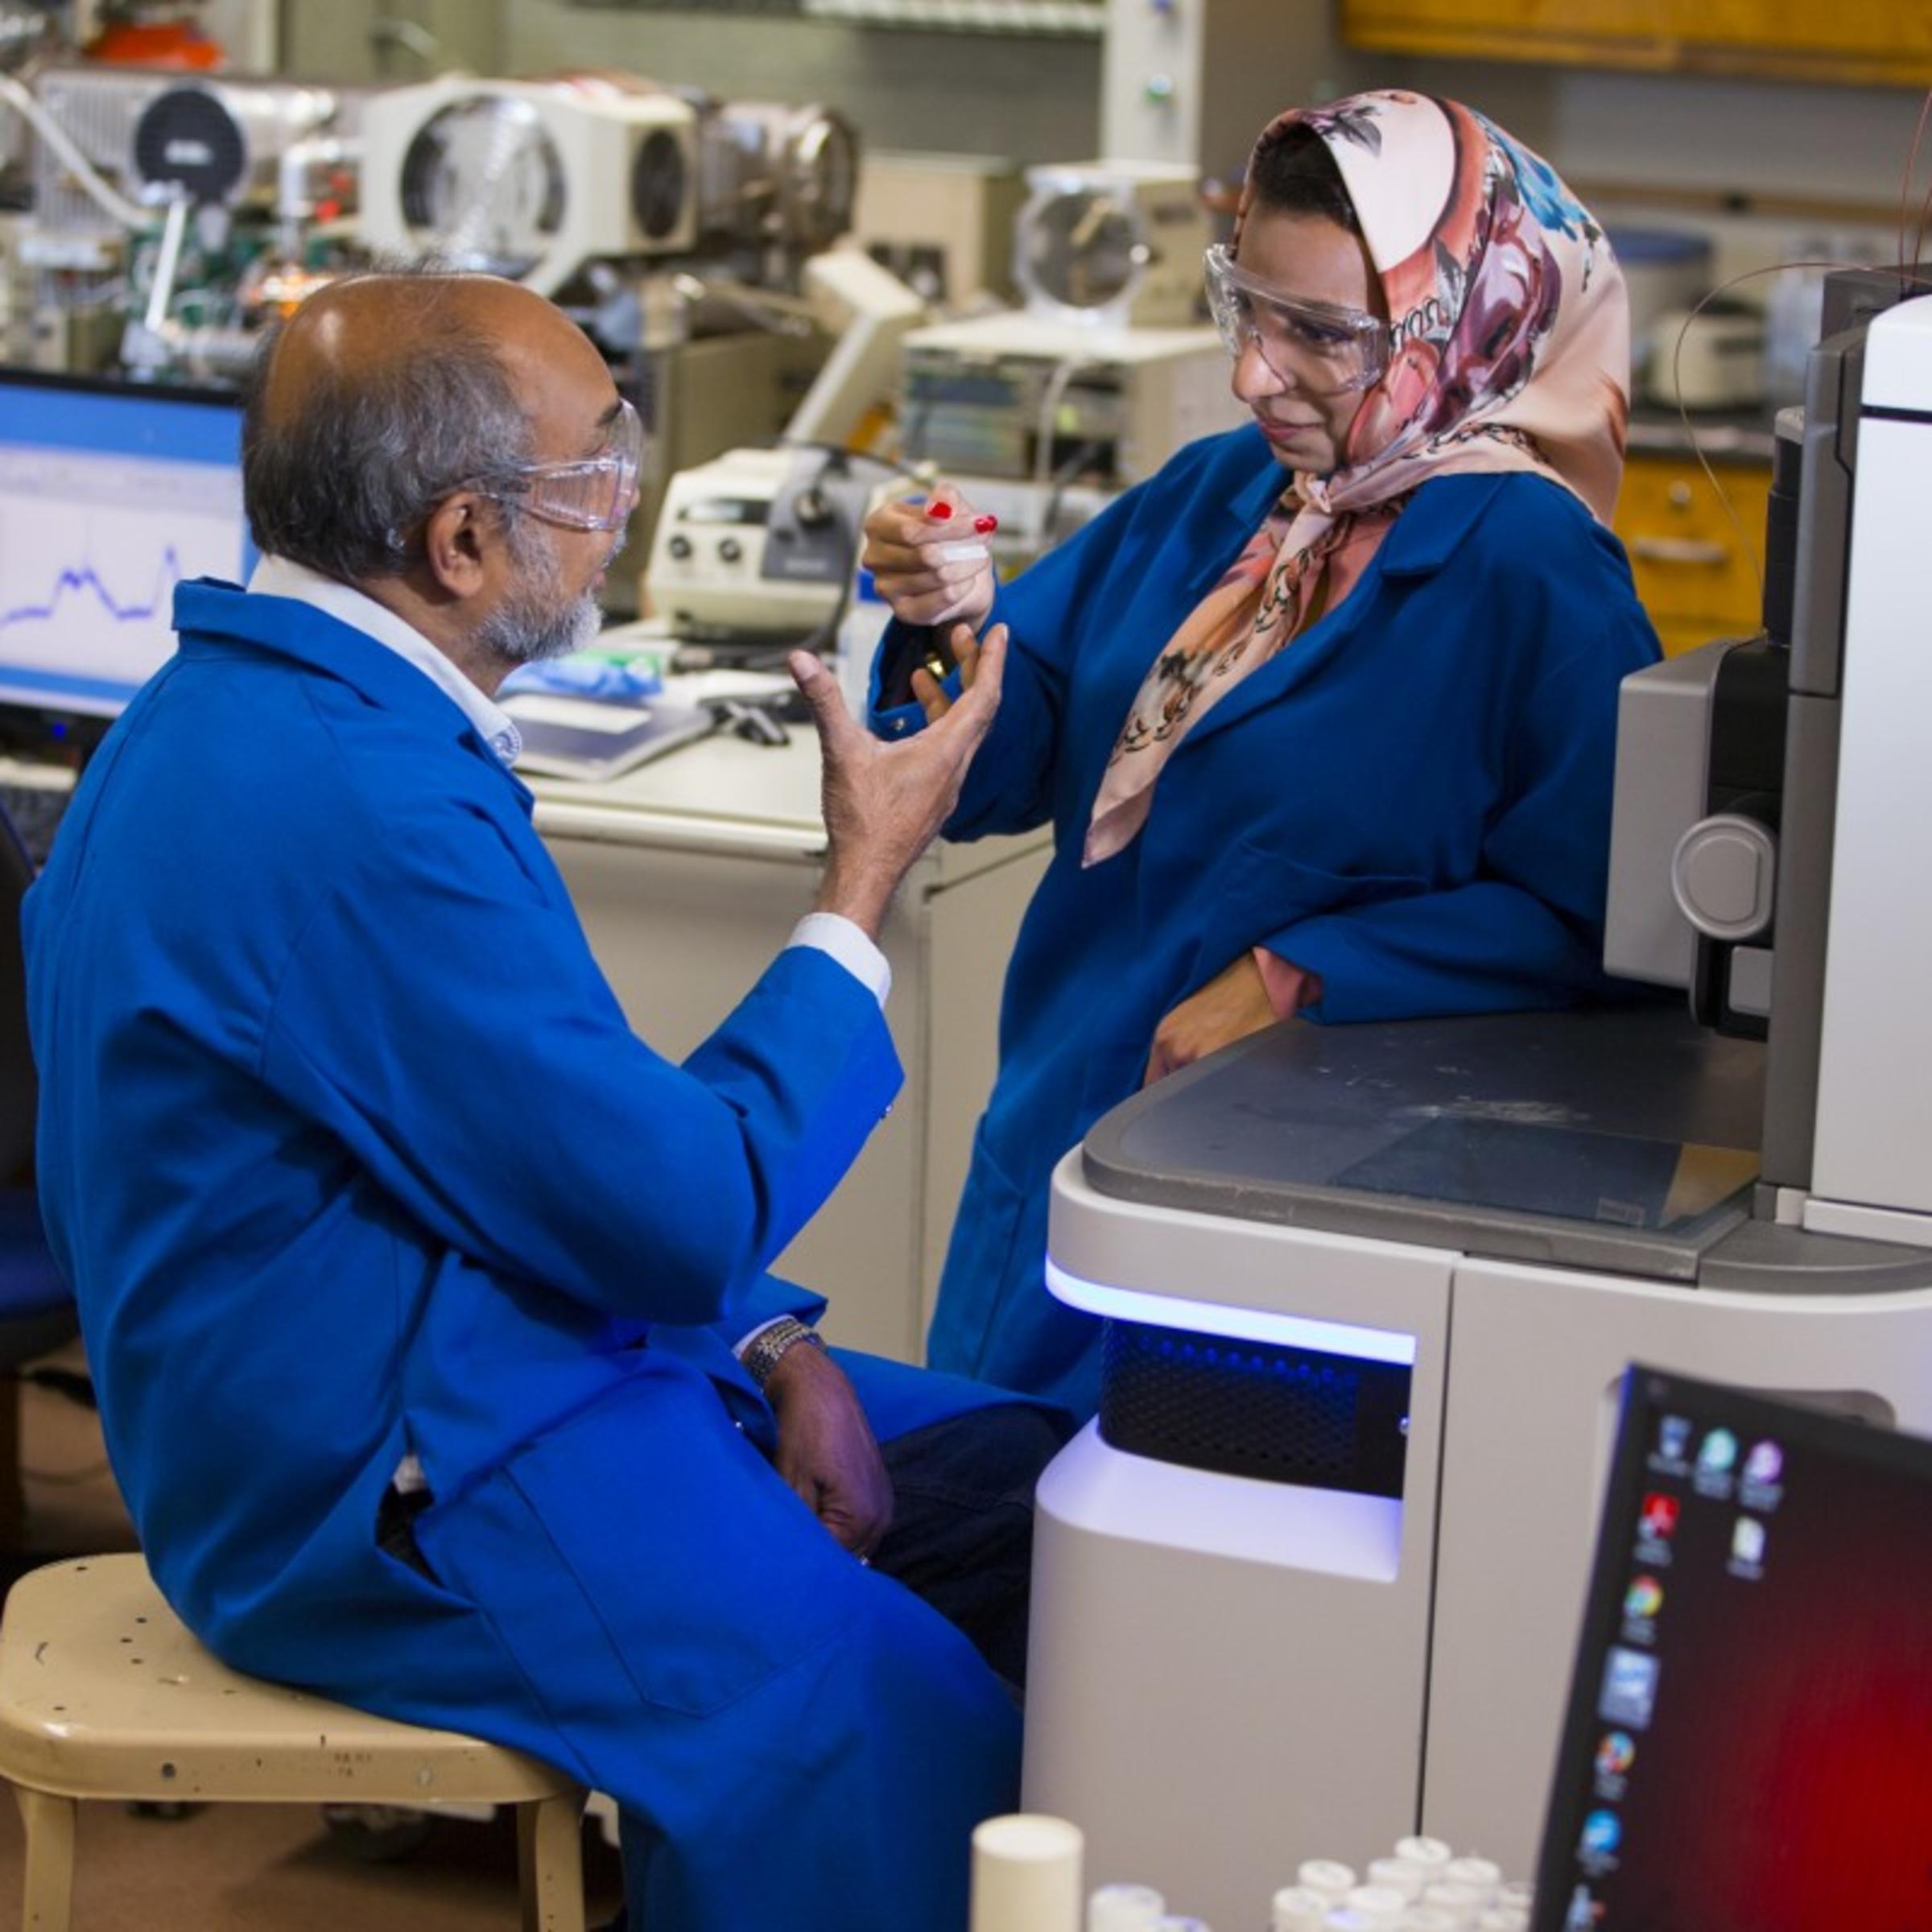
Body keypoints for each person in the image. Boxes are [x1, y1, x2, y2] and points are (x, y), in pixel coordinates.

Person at [23, 270, 1071, 1932]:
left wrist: (768, 1343)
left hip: (435, 1358)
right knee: (883, 1724)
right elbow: (677, 1211)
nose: (625, 499)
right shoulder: (360, 803)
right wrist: (859, 880)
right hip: (384, 1475)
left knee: (1039, 1489)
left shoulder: (241, 711)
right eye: (597, 466)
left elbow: (537, 1155)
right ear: (460, 542)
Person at [861, 90, 1661, 1414]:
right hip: (1059, 1147)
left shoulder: (1533, 575)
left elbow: (1611, 928)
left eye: (1322, 336)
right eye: (1249, 309)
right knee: (981, 1543)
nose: (1254, 375)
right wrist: (948, 617)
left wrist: (1306, 973)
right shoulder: (1231, 493)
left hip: (1286, 1224)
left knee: (1165, 1582)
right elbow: (1016, 745)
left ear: (1461, 321)